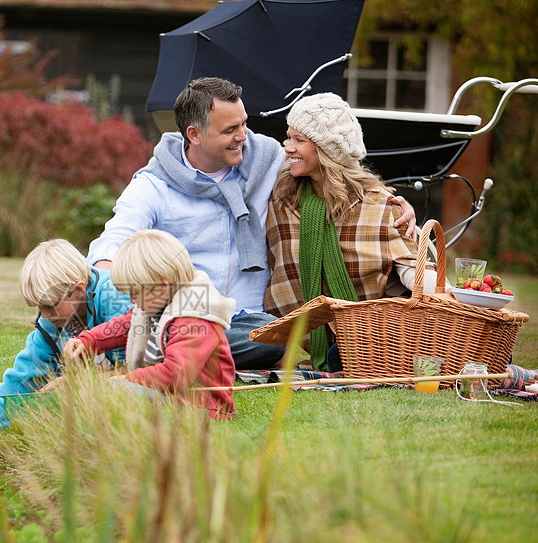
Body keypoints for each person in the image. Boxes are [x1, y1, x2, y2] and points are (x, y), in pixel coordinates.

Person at [87, 77, 416, 371]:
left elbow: (333, 167)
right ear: (194, 134)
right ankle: (172, 349)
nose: (242, 136)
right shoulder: (155, 186)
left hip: (253, 320)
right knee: (193, 333)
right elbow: (115, 239)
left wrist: (390, 203)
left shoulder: (269, 160)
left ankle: (174, 355)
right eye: (229, 130)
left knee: (279, 336)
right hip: (190, 314)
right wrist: (106, 283)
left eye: (243, 124)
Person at [264, 92, 437, 371]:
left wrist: (461, 301)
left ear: (326, 150)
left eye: (299, 140)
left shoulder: (378, 205)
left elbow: (411, 271)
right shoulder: (281, 200)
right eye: (288, 137)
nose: (288, 148)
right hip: (328, 342)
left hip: (382, 331)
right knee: (335, 357)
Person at [0, 239, 131, 464]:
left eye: (50, 306)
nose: (45, 315)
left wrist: (78, 384)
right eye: (40, 307)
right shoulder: (52, 324)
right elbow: (19, 381)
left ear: (78, 290)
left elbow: (141, 368)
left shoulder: (116, 300)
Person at [64, 229, 236, 418]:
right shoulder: (157, 303)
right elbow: (125, 325)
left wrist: (129, 379)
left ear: (162, 286)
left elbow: (176, 373)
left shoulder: (195, 318)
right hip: (172, 398)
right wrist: (88, 341)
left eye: (134, 293)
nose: (131, 299)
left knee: (114, 393)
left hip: (202, 407)